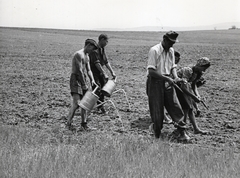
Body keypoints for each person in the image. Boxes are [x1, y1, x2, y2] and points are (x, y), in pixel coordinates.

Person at [146, 31, 190, 141]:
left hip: (168, 80)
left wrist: (175, 77)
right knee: (157, 108)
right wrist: (166, 78)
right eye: (170, 42)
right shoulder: (154, 50)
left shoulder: (171, 50)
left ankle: (181, 132)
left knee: (175, 106)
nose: (172, 45)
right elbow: (151, 71)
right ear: (164, 39)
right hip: (155, 82)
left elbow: (173, 67)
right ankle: (157, 134)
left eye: (173, 43)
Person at [66, 39, 98, 130]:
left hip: (83, 78)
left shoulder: (87, 56)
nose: (92, 51)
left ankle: (84, 125)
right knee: (76, 103)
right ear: (88, 45)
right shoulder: (78, 54)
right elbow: (79, 71)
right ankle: (68, 124)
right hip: (76, 79)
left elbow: (88, 70)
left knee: (84, 103)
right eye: (92, 48)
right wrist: (83, 84)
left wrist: (92, 80)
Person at [176, 57, 210, 134]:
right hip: (177, 87)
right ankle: (182, 129)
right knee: (186, 108)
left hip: (184, 87)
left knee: (190, 108)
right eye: (203, 68)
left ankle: (195, 129)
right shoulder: (188, 70)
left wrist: (198, 96)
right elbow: (183, 87)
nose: (204, 70)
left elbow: (193, 85)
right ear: (199, 65)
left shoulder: (198, 73)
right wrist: (194, 97)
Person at [89, 34, 116, 114]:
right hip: (94, 73)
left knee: (103, 89)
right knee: (97, 89)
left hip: (100, 73)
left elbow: (106, 61)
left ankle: (100, 106)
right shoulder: (94, 50)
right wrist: (104, 73)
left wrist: (112, 72)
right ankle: (97, 107)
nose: (107, 43)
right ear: (101, 40)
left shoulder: (102, 49)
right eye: (106, 41)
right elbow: (97, 63)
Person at [164, 51, 181, 124]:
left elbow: (173, 70)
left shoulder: (174, 66)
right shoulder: (165, 63)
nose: (177, 61)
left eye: (178, 59)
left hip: (169, 83)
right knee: (160, 101)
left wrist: (176, 78)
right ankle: (165, 118)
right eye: (176, 59)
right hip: (161, 82)